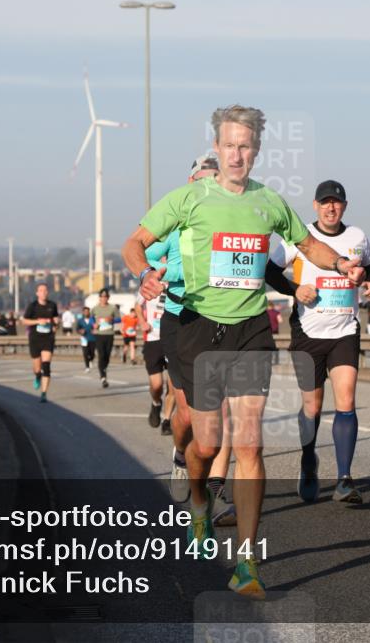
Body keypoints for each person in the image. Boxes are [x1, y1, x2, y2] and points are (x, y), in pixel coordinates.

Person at [123, 105, 365, 599]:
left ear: (256, 151)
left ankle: (248, 563)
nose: (237, 154)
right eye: (229, 145)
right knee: (208, 445)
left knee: (250, 445)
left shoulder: (269, 202)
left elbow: (305, 245)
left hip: (252, 328)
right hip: (197, 329)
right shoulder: (188, 198)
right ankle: (199, 507)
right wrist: (143, 274)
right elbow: (136, 242)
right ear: (218, 147)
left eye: (246, 146)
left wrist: (340, 262)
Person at [267, 179, 370, 505]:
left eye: (337, 202)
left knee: (346, 400)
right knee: (312, 406)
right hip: (307, 332)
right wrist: (293, 290)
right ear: (316, 205)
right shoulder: (300, 237)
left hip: (345, 329)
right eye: (325, 202)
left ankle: (344, 479)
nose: (331, 207)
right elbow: (270, 271)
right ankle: (308, 459)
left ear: (344, 206)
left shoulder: (357, 238)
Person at [146, 155, 222, 497]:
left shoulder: (226, 223)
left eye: (214, 180)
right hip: (179, 318)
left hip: (219, 320)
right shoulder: (175, 225)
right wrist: (158, 273)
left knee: (220, 413)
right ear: (191, 183)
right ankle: (180, 456)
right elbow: (144, 250)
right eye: (202, 180)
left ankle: (213, 485)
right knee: (188, 414)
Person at [136, 288, 171, 429]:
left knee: (173, 385)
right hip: (153, 339)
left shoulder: (180, 280)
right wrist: (142, 322)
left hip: (173, 339)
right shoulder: (150, 282)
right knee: (157, 385)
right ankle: (156, 403)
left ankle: (167, 420)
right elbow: (137, 306)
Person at [22, 284, 58, 402]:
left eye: (45, 290)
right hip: (35, 339)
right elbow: (24, 321)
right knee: (37, 368)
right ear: (37, 293)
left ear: (47, 293)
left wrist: (56, 323)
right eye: (41, 290)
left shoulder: (52, 305)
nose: (43, 292)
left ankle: (44, 393)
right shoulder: (32, 306)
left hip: (48, 338)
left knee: (46, 366)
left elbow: (55, 319)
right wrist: (38, 321)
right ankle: (37, 376)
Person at [92, 289, 119, 388]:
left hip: (109, 334)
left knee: (107, 355)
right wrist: (94, 324)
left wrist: (112, 319)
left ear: (108, 297)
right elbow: (91, 319)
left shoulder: (112, 308)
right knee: (101, 355)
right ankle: (103, 377)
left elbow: (119, 318)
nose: (103, 298)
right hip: (99, 334)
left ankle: (104, 368)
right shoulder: (95, 308)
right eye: (102, 297)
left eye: (105, 297)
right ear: (99, 298)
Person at [77, 306, 96, 372]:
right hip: (84, 338)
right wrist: (80, 331)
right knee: (85, 353)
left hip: (93, 338)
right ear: (83, 312)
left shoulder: (93, 319)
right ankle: (87, 367)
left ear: (89, 312)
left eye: (87, 311)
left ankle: (91, 360)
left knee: (92, 353)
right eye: (85, 312)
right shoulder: (80, 321)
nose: (86, 313)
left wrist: (95, 330)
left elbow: (97, 326)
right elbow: (77, 329)